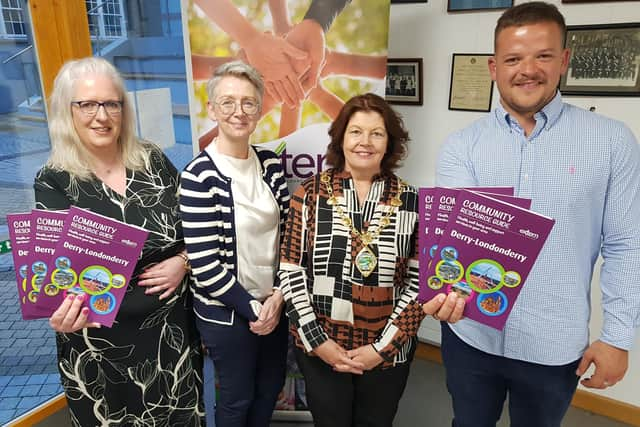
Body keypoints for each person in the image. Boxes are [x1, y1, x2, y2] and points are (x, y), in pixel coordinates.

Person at [436, 3, 640, 426]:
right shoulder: (462, 146)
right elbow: (456, 242)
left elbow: (628, 243)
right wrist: (441, 291)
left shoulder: (612, 142)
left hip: (553, 345)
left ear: (564, 59)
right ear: (494, 67)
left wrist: (618, 337)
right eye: (513, 59)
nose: (527, 70)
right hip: (470, 334)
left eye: (542, 55)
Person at [33, 57, 204, 425]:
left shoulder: (152, 160)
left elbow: (196, 227)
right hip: (100, 349)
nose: (102, 115)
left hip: (170, 338)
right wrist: (58, 313)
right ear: (68, 110)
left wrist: (183, 261)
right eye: (88, 104)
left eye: (112, 103)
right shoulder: (53, 179)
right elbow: (54, 276)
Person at [277, 93, 465, 427]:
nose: (365, 142)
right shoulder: (308, 194)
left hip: (389, 353)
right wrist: (320, 343)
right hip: (321, 347)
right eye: (355, 131)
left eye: (376, 133)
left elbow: (420, 283)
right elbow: (292, 272)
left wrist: (380, 348)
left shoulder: (413, 201)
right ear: (340, 138)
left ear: (390, 141)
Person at [179, 60, 290, 427]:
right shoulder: (198, 176)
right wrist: (256, 310)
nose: (238, 112)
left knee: (269, 389)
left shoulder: (271, 164)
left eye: (248, 102)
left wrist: (277, 299)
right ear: (211, 109)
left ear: (259, 109)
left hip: (274, 304)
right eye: (227, 102)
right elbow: (206, 266)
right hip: (227, 313)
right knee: (235, 399)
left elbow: (289, 239)